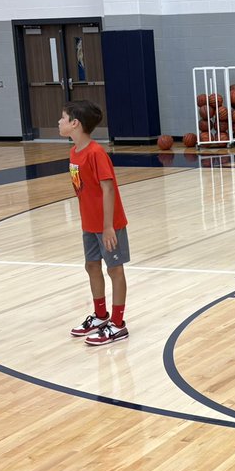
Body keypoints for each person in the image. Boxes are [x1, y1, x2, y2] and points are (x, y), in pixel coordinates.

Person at [60, 100, 131, 346]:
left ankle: (118, 324)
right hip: (89, 223)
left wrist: (109, 225)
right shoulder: (74, 152)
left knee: (115, 269)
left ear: (74, 124)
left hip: (108, 223)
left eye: (63, 118)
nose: (59, 122)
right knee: (91, 266)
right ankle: (101, 316)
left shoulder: (96, 153)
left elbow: (108, 189)